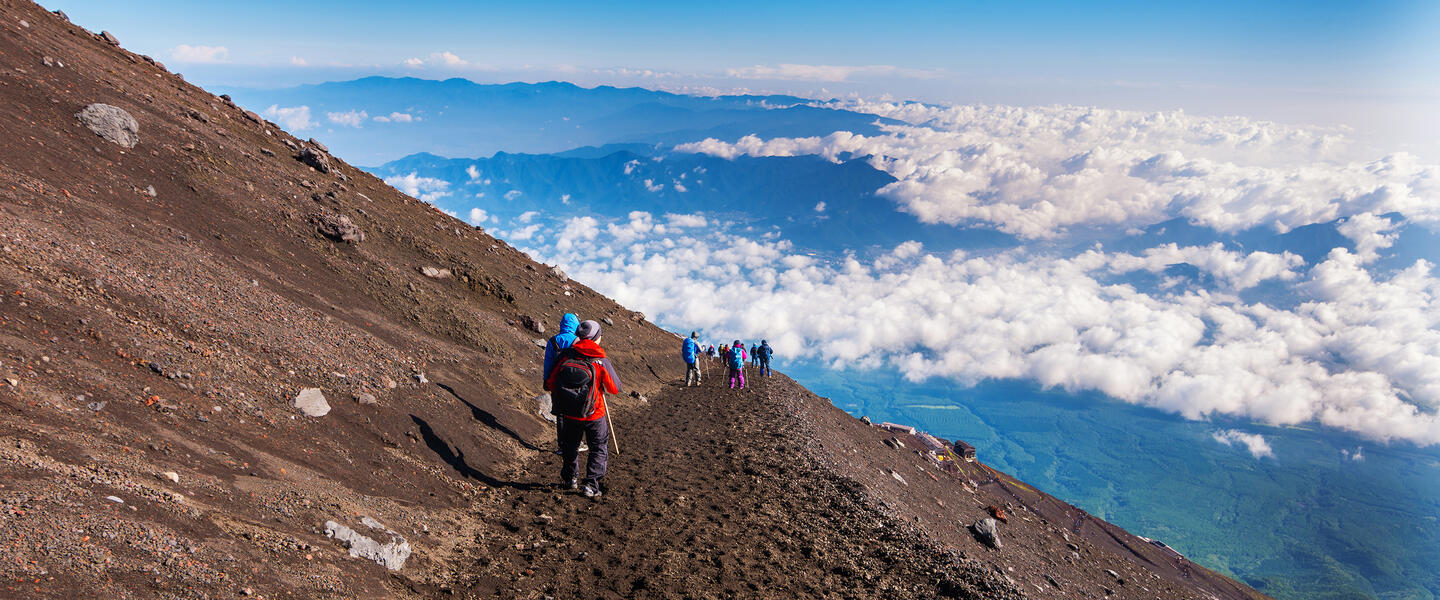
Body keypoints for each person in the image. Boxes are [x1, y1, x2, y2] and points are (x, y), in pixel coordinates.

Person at [545, 320, 621, 498]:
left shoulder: (566, 355)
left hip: (570, 413)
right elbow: (615, 388)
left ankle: (570, 478)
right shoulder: (600, 359)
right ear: (596, 337)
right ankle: (591, 485)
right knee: (598, 447)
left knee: (570, 446)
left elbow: (550, 382)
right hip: (595, 412)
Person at [542, 313, 579, 386]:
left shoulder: (553, 340)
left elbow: (548, 361)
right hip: (573, 378)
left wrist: (546, 379)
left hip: (556, 377)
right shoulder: (579, 341)